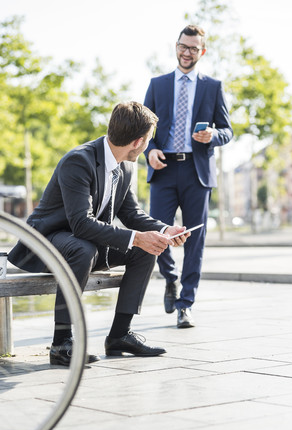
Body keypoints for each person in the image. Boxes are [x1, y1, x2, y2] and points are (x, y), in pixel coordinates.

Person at [8, 101, 190, 366]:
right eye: (149, 140)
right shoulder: (78, 161)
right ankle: (61, 344)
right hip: (47, 242)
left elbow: (130, 213)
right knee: (85, 248)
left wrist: (163, 230)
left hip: (86, 243)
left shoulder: (126, 165)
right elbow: (81, 223)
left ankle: (119, 335)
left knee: (145, 250)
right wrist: (137, 237)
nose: (149, 145)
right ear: (138, 141)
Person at [144, 25, 233, 329]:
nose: (187, 52)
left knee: (196, 241)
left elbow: (228, 130)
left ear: (202, 52)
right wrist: (150, 151)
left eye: (193, 48)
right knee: (158, 233)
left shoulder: (213, 87)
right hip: (164, 169)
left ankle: (186, 304)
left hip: (198, 171)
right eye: (183, 46)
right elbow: (145, 129)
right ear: (176, 46)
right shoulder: (157, 85)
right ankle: (170, 279)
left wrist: (214, 135)